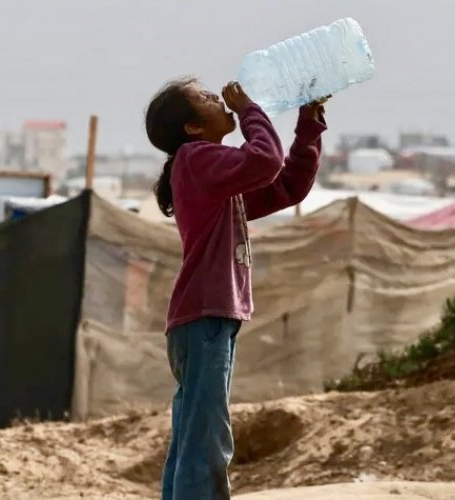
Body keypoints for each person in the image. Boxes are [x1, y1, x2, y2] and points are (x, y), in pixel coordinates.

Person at [144, 78, 327, 499]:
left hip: (207, 319)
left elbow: (286, 185)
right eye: (206, 98)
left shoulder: (214, 179)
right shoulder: (194, 160)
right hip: (204, 317)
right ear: (192, 128)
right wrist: (248, 110)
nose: (219, 97)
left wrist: (309, 122)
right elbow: (265, 159)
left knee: (194, 435)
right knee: (206, 438)